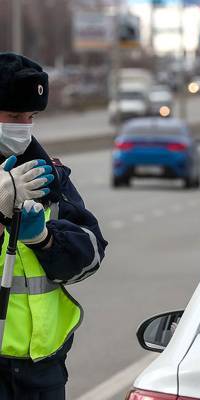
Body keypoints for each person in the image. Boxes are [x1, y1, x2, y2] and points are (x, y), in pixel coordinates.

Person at [0, 53, 108, 399]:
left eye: (31, 116)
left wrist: (45, 239)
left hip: (42, 368)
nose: (23, 126)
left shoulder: (46, 175)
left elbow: (91, 254)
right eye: (14, 115)